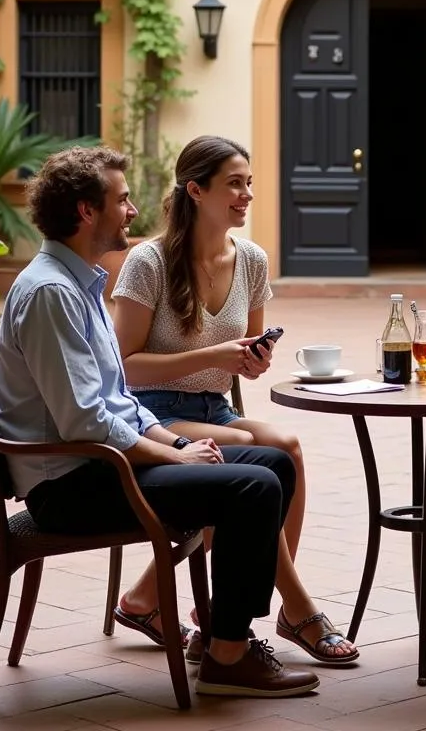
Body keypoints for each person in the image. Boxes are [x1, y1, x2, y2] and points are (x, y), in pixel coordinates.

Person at [0, 145, 319, 697]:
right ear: (85, 211)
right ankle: (228, 656)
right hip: (72, 485)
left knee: (273, 463)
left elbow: (117, 396)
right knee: (253, 486)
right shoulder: (52, 292)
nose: (132, 210)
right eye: (120, 200)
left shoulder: (81, 282)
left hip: (104, 464)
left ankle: (223, 640)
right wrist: (175, 454)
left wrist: (166, 437)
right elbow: (86, 421)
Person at [110, 135, 358, 665]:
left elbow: (246, 350)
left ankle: (149, 598)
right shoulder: (148, 262)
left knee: (285, 445)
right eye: (235, 185)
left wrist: (252, 360)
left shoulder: (251, 260)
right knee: (252, 459)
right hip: (154, 413)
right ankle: (296, 608)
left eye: (249, 184)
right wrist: (212, 357)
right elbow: (123, 367)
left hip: (215, 409)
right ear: (196, 190)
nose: (247, 195)